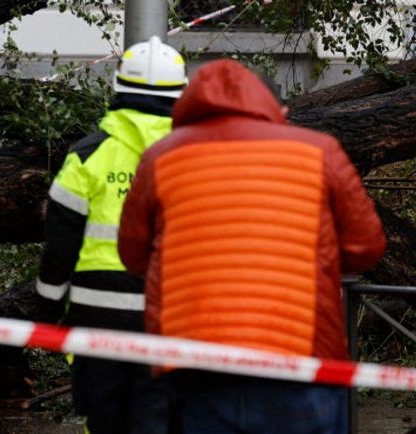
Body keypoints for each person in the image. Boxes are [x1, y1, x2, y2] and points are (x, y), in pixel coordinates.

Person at [119, 59, 385, 434]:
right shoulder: (319, 151)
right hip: (300, 357)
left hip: (196, 361)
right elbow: (367, 247)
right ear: (279, 111)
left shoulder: (161, 157)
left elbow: (132, 255)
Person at [33, 36, 187, 434]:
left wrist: (47, 307)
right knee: (158, 418)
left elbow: (61, 238)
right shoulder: (194, 160)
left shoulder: (87, 155)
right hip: (168, 313)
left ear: (118, 89)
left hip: (97, 317)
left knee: (104, 421)